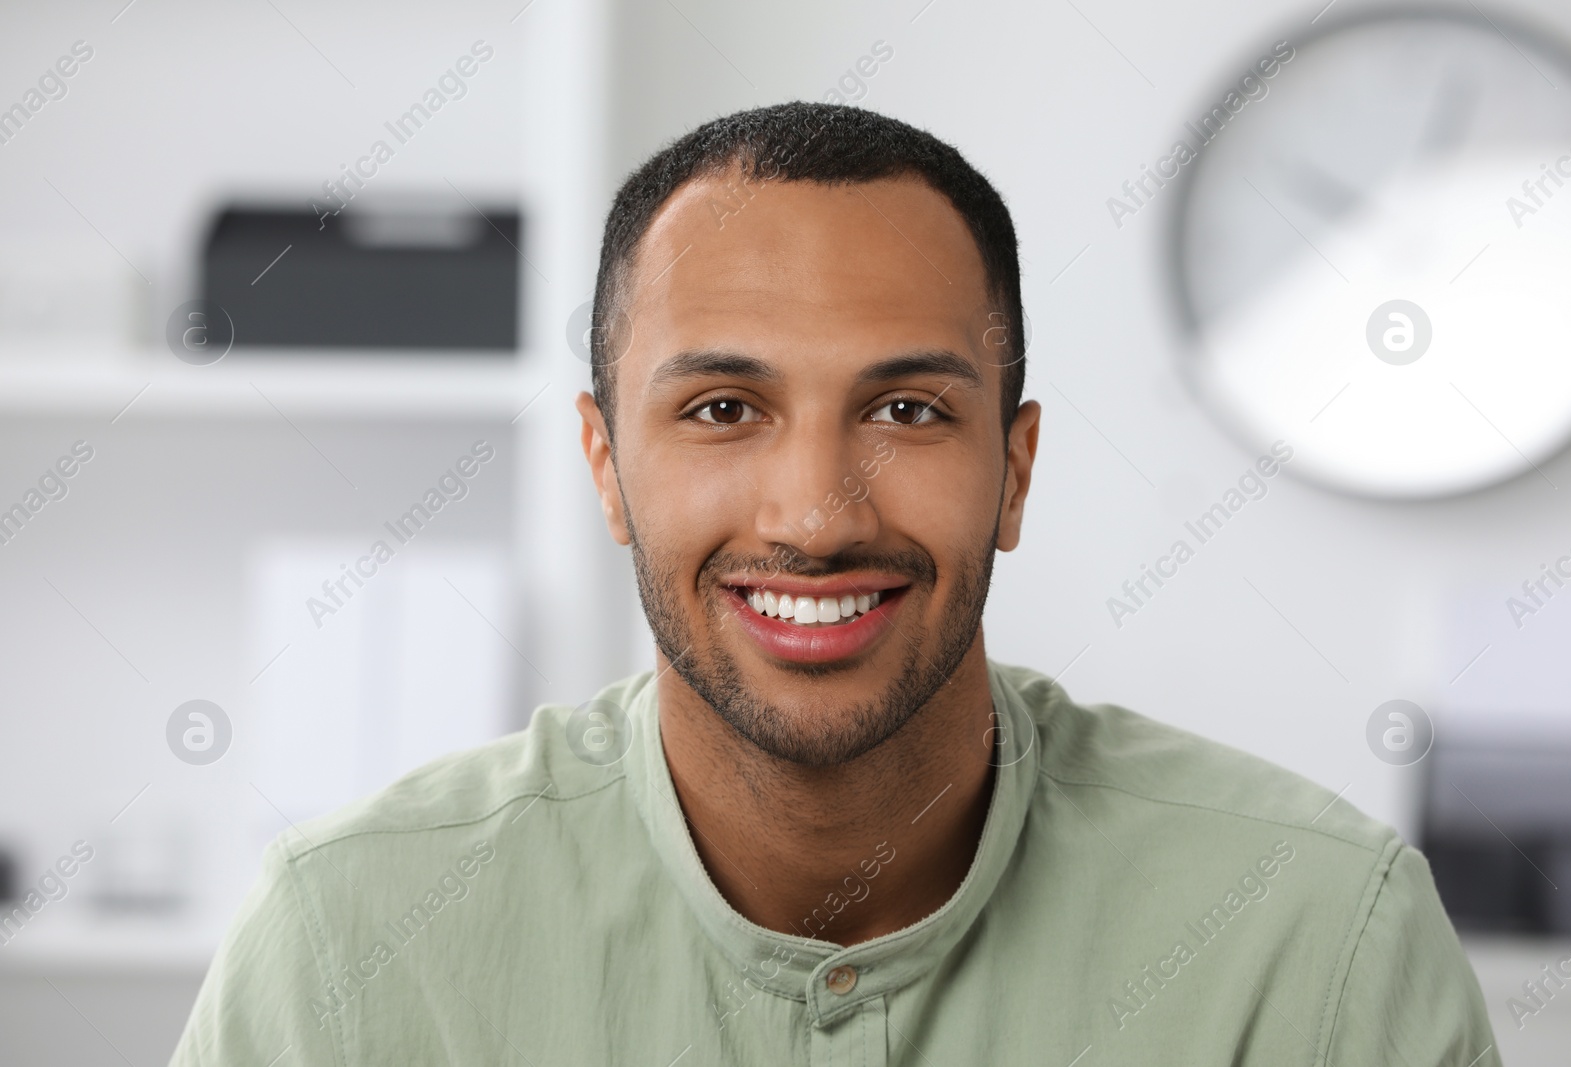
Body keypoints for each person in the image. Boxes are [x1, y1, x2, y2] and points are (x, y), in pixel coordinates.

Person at [170, 102, 1497, 1066]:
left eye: (909, 410)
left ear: (1015, 471)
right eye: (723, 408)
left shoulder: (1323, 946)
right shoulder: (343, 953)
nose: (813, 516)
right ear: (605, 463)